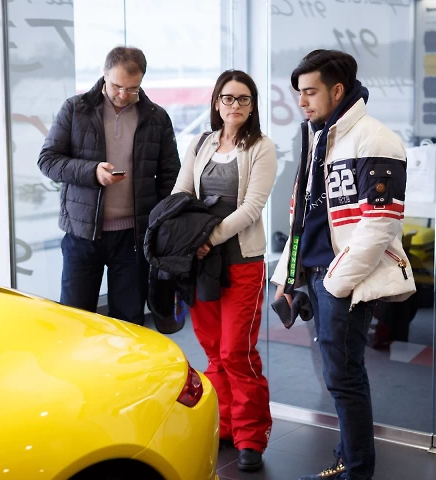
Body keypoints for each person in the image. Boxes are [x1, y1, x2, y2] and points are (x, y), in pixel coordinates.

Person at [271, 50, 416, 480]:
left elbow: (380, 224)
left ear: (337, 90)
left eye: (310, 92)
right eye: (299, 93)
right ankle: (347, 460)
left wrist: (335, 283)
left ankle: (356, 470)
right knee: (338, 375)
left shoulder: (376, 140)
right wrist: (288, 277)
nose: (301, 101)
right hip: (316, 275)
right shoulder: (320, 136)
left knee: (344, 377)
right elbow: (303, 216)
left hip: (341, 280)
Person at [172, 69, 276, 472]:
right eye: (228, 98)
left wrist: (208, 237)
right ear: (217, 103)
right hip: (202, 264)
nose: (235, 105)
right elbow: (182, 192)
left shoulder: (262, 147)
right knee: (215, 351)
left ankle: (251, 436)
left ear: (252, 106)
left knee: (237, 351)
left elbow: (252, 208)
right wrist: (189, 237)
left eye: (243, 99)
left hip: (242, 261)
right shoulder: (201, 143)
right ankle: (225, 425)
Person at [38, 46, 180, 325]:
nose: (123, 95)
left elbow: (170, 176)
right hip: (82, 235)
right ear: (104, 74)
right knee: (75, 321)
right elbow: (48, 161)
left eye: (132, 88)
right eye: (117, 86)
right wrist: (92, 172)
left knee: (129, 323)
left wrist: (163, 228)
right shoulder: (75, 109)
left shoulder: (156, 117)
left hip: (133, 238)